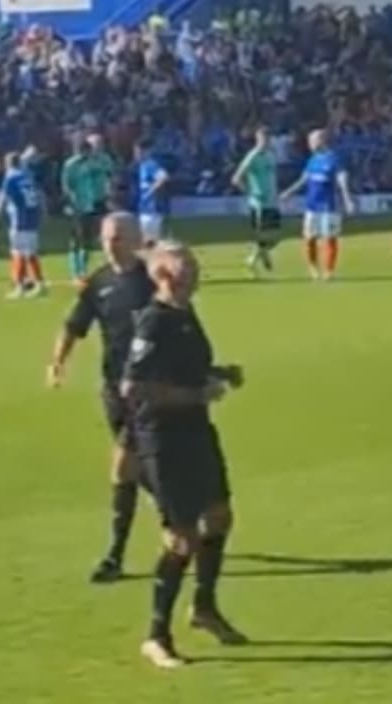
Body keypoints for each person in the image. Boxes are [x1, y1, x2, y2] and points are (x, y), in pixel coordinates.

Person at [122, 241, 247, 669]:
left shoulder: (184, 314)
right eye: (187, 265)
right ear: (163, 275)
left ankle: (204, 608)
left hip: (197, 431)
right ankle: (156, 636)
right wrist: (196, 393)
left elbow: (183, 368)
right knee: (182, 539)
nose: (196, 270)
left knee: (219, 516)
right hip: (163, 440)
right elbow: (134, 387)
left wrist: (218, 374)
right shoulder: (154, 322)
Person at [48, 213, 156, 583]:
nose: (111, 244)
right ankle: (178, 510)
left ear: (135, 239)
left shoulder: (154, 279)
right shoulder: (99, 283)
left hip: (148, 390)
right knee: (140, 469)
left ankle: (114, 556)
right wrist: (57, 362)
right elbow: (74, 325)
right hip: (112, 389)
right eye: (107, 238)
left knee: (123, 465)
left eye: (119, 237)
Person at [279, 129, 354, 281]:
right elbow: (304, 179)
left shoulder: (333, 158)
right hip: (312, 206)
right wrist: (288, 192)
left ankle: (329, 271)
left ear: (321, 140)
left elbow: (342, 178)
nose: (310, 144)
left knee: (330, 238)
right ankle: (313, 268)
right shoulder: (313, 159)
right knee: (309, 238)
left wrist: (347, 199)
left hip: (329, 205)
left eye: (312, 141)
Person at [0, 150, 47, 298]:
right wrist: (44, 212)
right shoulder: (27, 176)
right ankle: (40, 285)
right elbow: (39, 195)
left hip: (20, 219)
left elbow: (1, 201)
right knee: (31, 253)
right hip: (32, 218)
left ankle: (19, 287)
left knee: (17, 252)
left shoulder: (10, 178)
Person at [230, 125, 280, 277]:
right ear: (257, 139)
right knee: (263, 234)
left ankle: (261, 254)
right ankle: (253, 260)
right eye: (262, 139)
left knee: (274, 237)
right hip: (259, 202)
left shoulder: (272, 154)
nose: (265, 141)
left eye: (267, 138)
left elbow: (272, 176)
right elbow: (236, 178)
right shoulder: (252, 156)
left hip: (272, 200)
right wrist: (250, 192)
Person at [61, 138, 98, 284]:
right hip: (77, 207)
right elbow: (66, 186)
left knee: (87, 240)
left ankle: (83, 271)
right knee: (76, 240)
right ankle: (76, 273)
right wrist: (72, 203)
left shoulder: (89, 164)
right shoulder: (70, 165)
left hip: (89, 205)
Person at [134, 140, 169, 245]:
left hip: (152, 210)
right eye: (135, 152)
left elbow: (163, 176)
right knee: (146, 243)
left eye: (138, 152)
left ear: (146, 152)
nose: (136, 155)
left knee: (149, 243)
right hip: (145, 209)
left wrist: (151, 191)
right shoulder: (142, 166)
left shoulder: (151, 164)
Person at [85, 133, 116, 213]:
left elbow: (110, 175)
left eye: (101, 143)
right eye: (97, 144)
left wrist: (110, 192)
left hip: (102, 196)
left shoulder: (106, 158)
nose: (100, 146)